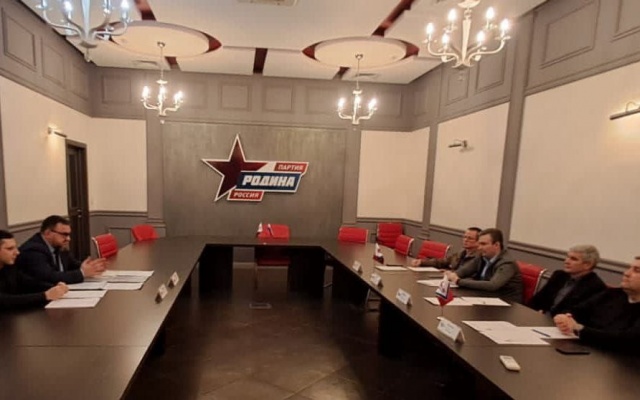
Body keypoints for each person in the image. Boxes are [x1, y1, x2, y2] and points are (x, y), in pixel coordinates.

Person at [554, 257, 640, 353]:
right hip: (588, 350)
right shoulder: (612, 294)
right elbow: (577, 310)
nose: (626, 273)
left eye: (637, 270)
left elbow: (627, 341)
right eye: (629, 268)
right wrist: (565, 318)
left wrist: (580, 329)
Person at [16, 215, 106, 284]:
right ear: (47, 233)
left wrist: (90, 267)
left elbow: (73, 265)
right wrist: (82, 273)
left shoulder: (59, 246)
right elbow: (49, 277)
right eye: (64, 234)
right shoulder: (33, 251)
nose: (68, 239)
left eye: (69, 235)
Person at [444, 228, 523, 303]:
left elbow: (492, 285)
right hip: (485, 297)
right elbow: (465, 270)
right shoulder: (482, 257)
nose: (479, 248)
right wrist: (454, 274)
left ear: (496, 245)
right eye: (479, 244)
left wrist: (458, 281)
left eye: (483, 244)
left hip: (506, 303)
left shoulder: (507, 263)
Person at [529, 245, 606, 315]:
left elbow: (579, 314)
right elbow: (537, 300)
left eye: (573, 259)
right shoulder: (559, 275)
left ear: (587, 265)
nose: (566, 261)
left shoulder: (596, 287)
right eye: (567, 257)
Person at [0, 230, 68, 309]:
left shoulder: (9, 267)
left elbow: (28, 283)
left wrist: (54, 287)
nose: (17, 252)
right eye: (10, 249)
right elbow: (5, 300)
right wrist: (45, 296)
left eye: (15, 248)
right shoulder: (32, 250)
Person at [410, 227, 481, 270]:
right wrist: (421, 262)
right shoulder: (462, 252)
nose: (465, 240)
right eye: (465, 237)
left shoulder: (478, 257)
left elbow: (468, 274)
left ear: (478, 241)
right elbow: (442, 262)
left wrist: (451, 273)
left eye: (470, 238)